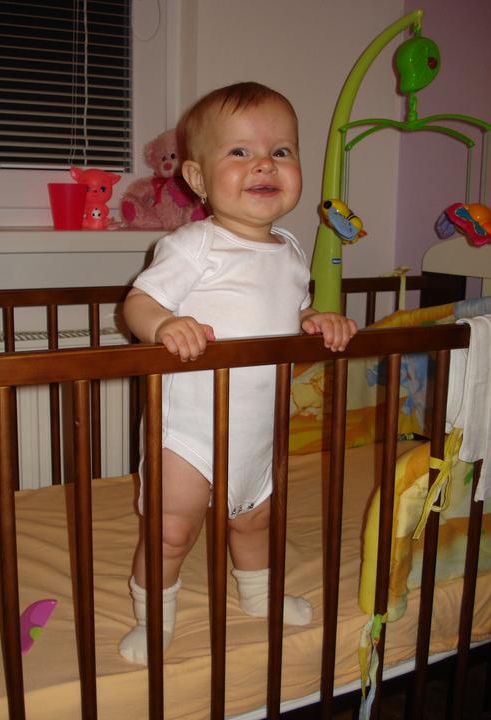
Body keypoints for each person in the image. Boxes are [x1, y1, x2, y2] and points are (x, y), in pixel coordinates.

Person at [119, 81, 357, 664]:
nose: (264, 164)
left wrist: (315, 320)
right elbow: (138, 303)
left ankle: (258, 595)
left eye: (282, 151)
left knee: (256, 522)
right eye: (240, 152)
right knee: (171, 532)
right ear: (197, 179)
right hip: (189, 433)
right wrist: (163, 325)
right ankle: (154, 618)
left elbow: (290, 311)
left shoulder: (291, 251)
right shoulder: (195, 244)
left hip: (256, 432)